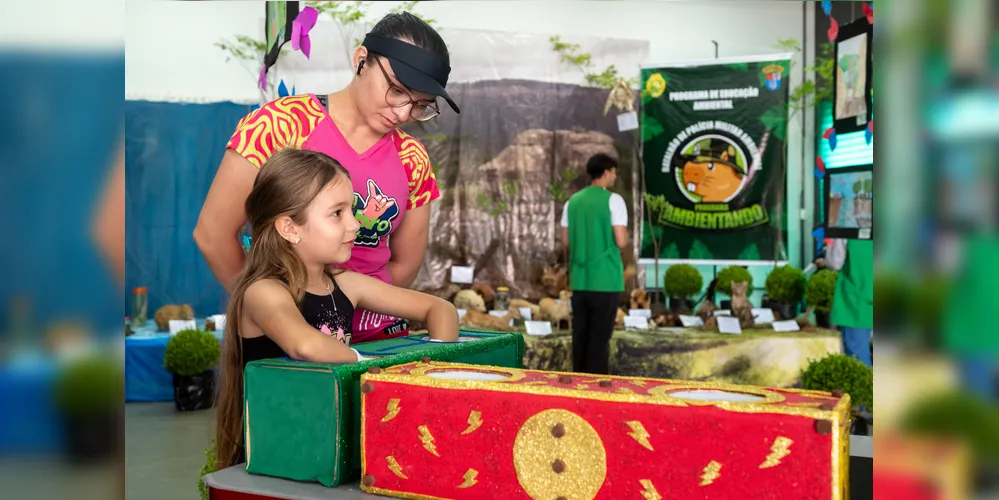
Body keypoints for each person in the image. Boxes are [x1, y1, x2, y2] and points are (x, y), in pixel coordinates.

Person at [194, 11, 459, 344]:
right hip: (288, 338)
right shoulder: (281, 126)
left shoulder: (412, 159)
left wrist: (352, 309)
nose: (404, 113)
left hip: (379, 337)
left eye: (421, 105)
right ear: (361, 60)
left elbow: (404, 265)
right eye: (396, 90)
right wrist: (273, 315)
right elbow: (212, 234)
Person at [215, 148, 458, 469]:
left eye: (352, 211)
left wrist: (433, 380)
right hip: (278, 457)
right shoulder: (263, 292)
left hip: (330, 446)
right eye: (337, 213)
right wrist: (377, 370)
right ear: (290, 228)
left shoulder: (346, 284)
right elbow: (305, 345)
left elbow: (440, 309)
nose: (355, 225)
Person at [560, 153, 628, 374]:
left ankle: (577, 385)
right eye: (614, 173)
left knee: (580, 335)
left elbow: (565, 240)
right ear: (606, 172)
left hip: (579, 279)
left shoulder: (572, 201)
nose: (615, 177)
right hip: (606, 279)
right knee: (600, 338)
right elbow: (621, 239)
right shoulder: (613, 200)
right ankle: (595, 390)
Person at [825, 238, 873, 368]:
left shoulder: (846, 227)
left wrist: (831, 238)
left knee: (858, 360)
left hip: (856, 299)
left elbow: (834, 262)